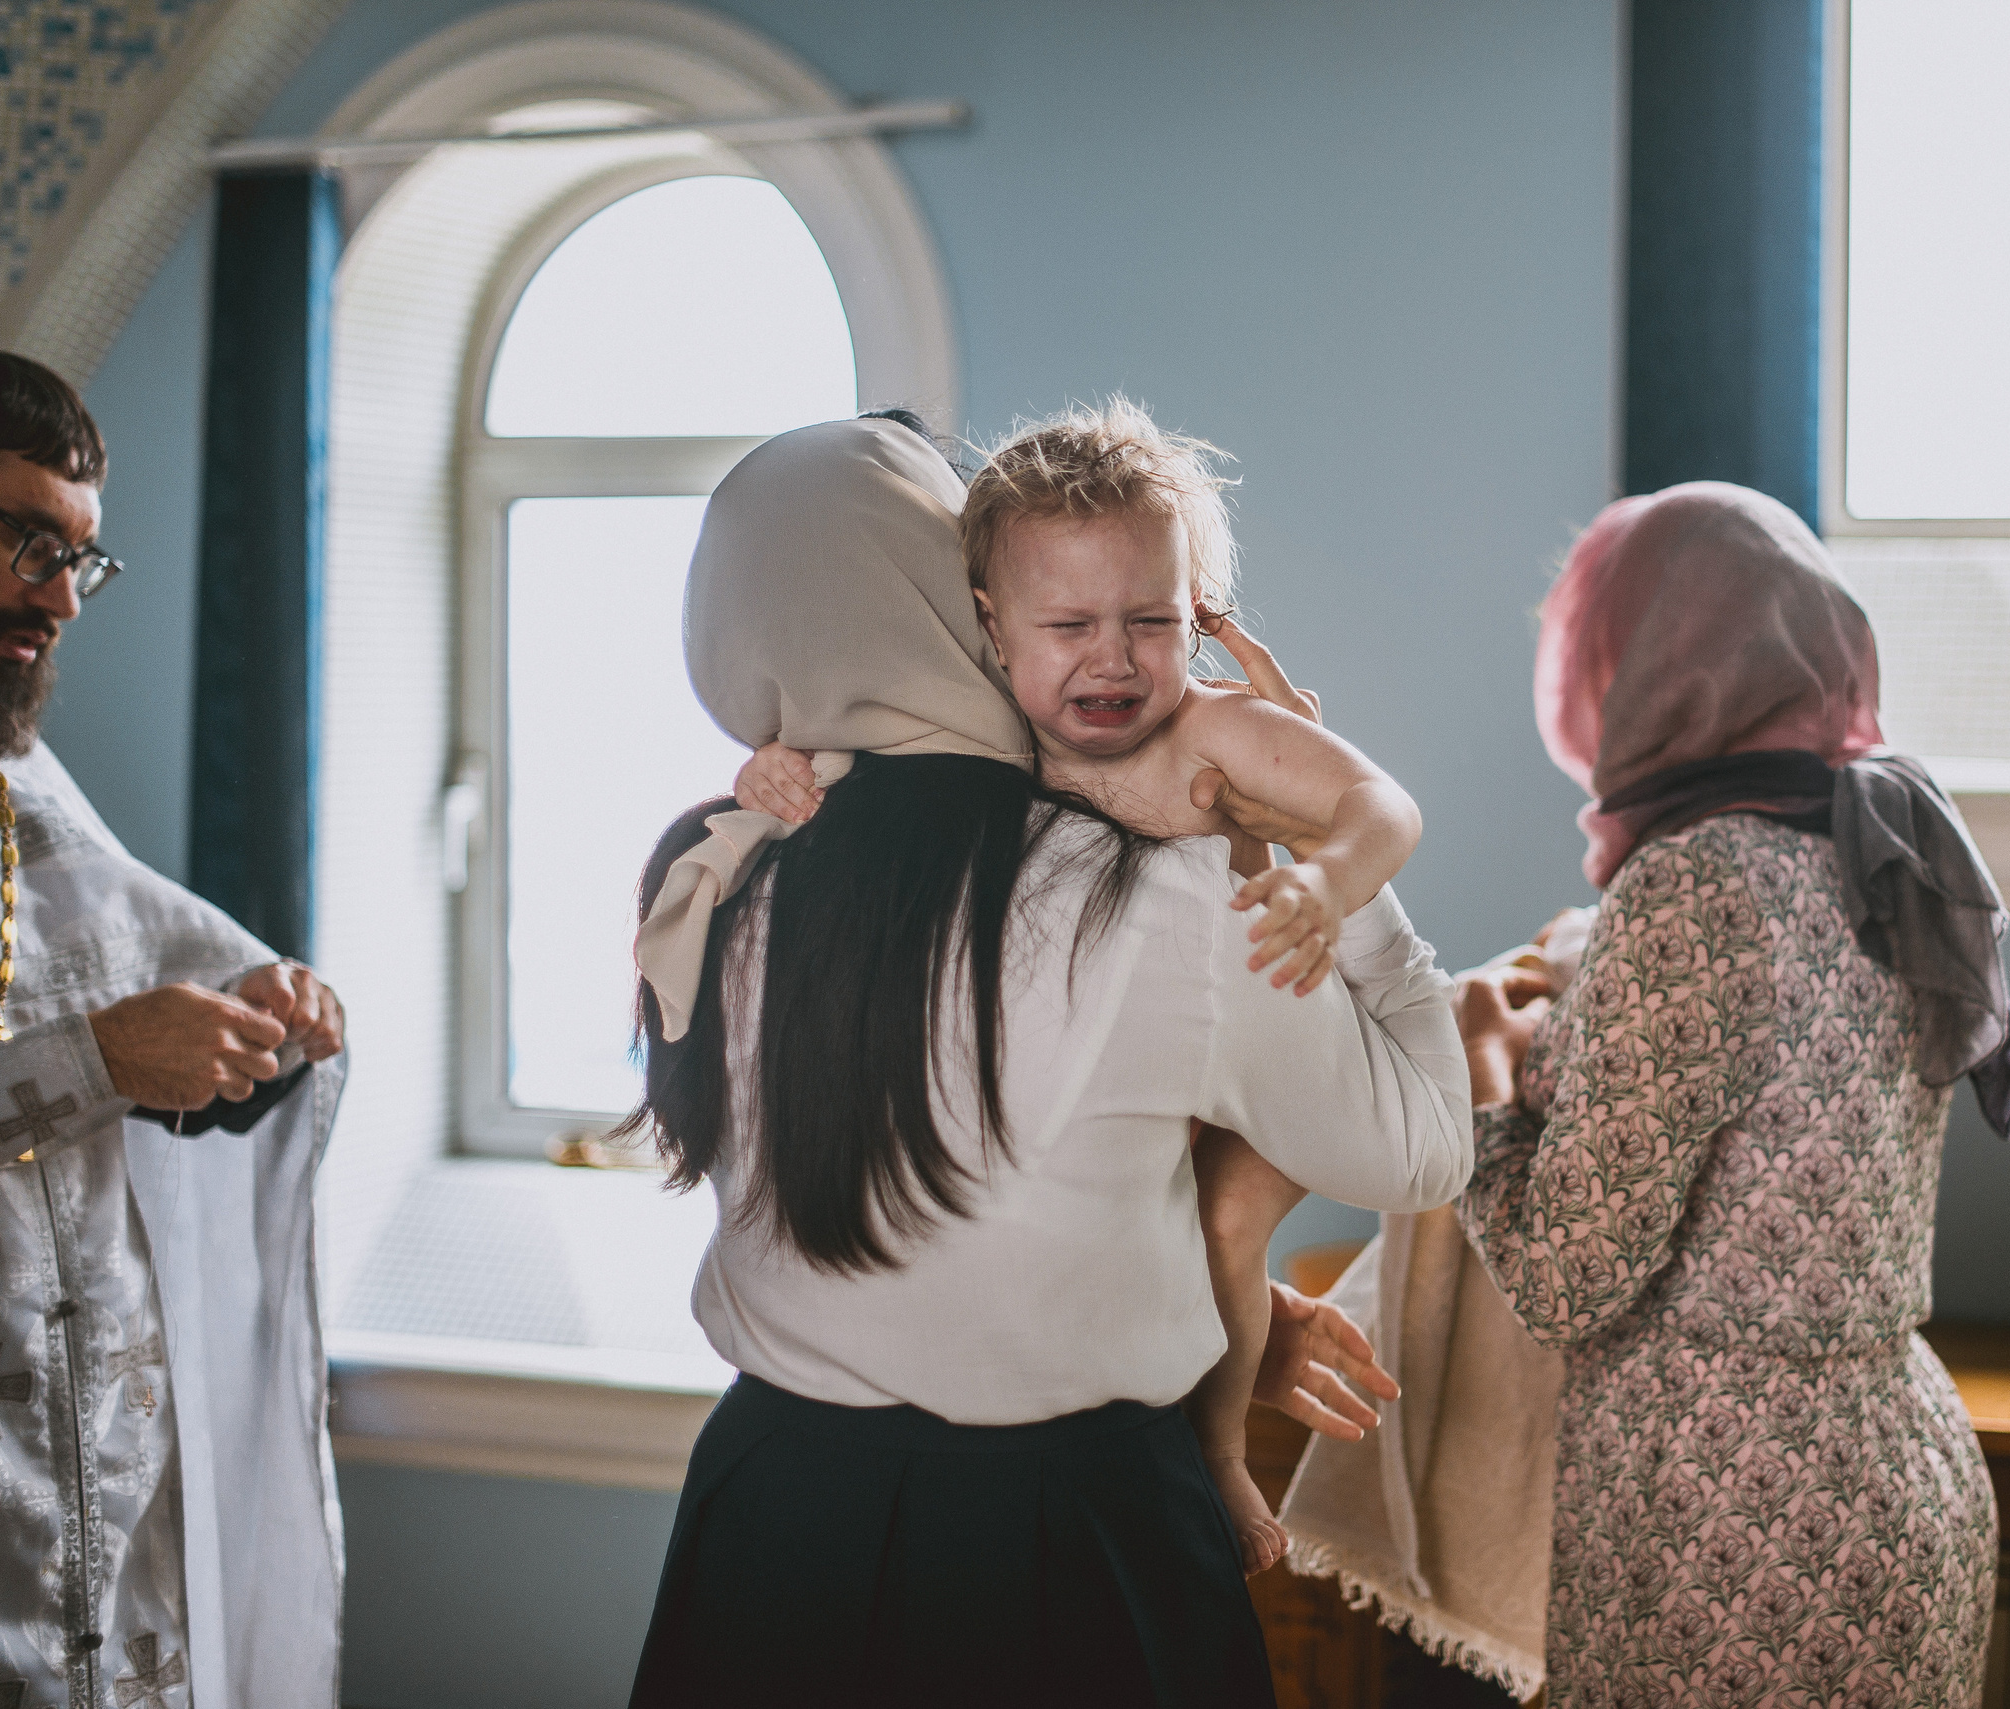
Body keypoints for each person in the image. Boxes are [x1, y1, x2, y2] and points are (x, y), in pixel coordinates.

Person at [620, 414, 1468, 1706]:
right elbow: (1421, 1144)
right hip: (1068, 1535)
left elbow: (960, 1203)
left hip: (769, 1519)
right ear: (962, 605)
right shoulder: (1153, 889)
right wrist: (1320, 870)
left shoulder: (723, 870)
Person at [1444, 481, 2010, 1705]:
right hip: (1902, 1467)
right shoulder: (1882, 862)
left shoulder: (1693, 885)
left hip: (1724, 1502)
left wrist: (1484, 1087)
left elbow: (1563, 1278)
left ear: (1651, 673)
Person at [0, 346, 349, 1707]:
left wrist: (261, 1023)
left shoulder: (17, 784)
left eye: (80, 560)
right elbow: (89, 1054)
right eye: (28, 542)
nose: (60, 597)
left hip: (90, 1520)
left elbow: (164, 984)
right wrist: (99, 1062)